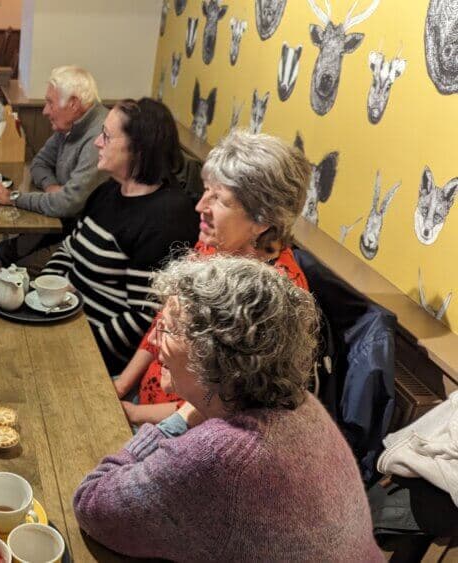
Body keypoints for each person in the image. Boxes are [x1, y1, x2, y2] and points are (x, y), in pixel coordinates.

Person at [73, 255, 381, 561]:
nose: (154, 339)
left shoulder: (221, 456)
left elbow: (92, 504)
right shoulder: (303, 406)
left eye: (166, 330)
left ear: (209, 354)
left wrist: (177, 419)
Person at [114, 130, 312, 425]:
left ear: (263, 220)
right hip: (145, 400)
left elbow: (225, 402)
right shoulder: (213, 245)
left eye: (219, 199)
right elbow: (164, 322)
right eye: (206, 190)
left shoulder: (274, 296)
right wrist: (121, 385)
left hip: (186, 429)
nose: (200, 206)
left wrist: (135, 416)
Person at [39, 98, 199, 374]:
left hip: (99, 357)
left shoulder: (168, 217)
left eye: (107, 136)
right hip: (62, 322)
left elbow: (143, 317)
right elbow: (68, 249)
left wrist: (75, 348)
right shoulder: (108, 192)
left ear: (138, 149)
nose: (96, 143)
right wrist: (45, 292)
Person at [0, 66, 108, 274]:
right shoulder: (69, 125)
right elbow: (39, 163)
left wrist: (13, 197)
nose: (45, 111)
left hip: (87, 239)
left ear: (74, 103)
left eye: (50, 102)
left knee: (12, 272)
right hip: (60, 224)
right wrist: (51, 186)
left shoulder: (98, 137)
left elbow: (66, 205)